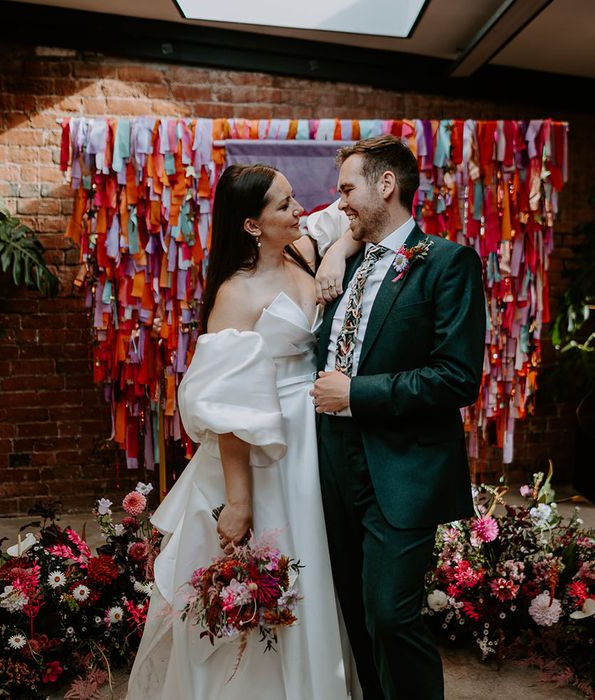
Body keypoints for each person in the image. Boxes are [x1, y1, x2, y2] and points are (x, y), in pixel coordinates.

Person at [127, 163, 360, 700]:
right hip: (264, 450)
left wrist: (333, 254)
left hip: (313, 437)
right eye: (283, 204)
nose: (299, 208)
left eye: (293, 198)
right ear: (253, 225)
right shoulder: (235, 294)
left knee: (315, 568)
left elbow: (350, 222)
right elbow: (230, 407)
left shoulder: (303, 246)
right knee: (271, 568)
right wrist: (238, 500)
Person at [311, 135, 486, 700]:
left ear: (386, 185)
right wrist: (340, 246)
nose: (339, 204)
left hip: (402, 467)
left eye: (346, 189)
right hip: (334, 461)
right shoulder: (346, 259)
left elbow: (456, 377)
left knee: (391, 614)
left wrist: (357, 393)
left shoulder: (448, 264)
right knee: (358, 613)